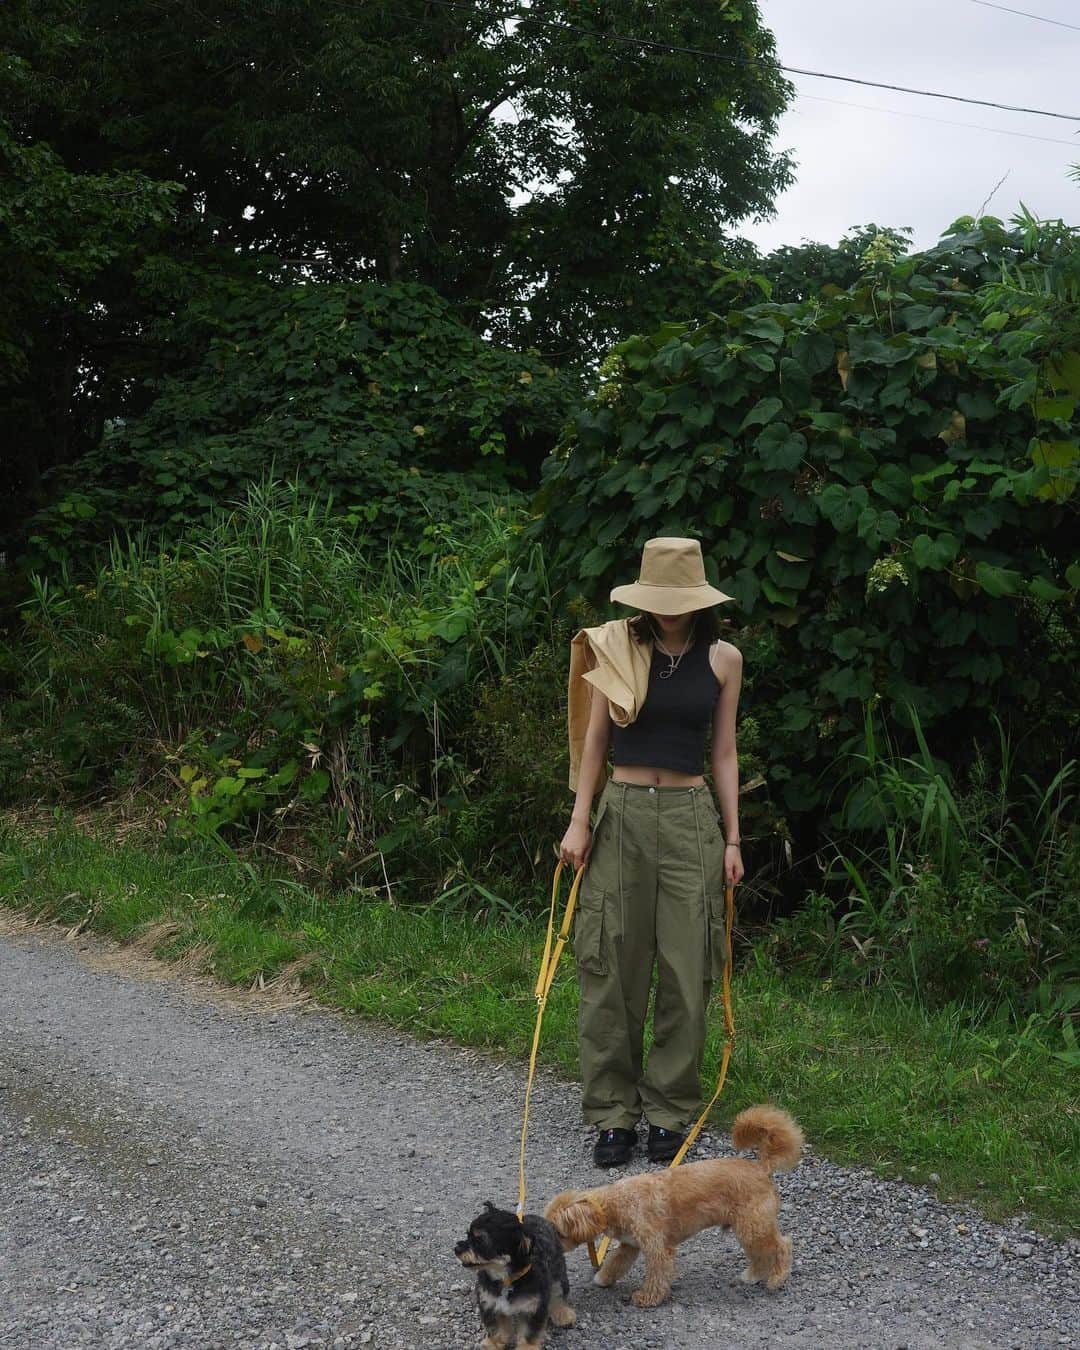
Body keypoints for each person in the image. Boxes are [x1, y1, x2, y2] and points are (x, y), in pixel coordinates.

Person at [560, 536, 745, 1168]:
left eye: (679, 600)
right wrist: (579, 821)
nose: (669, 610)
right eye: (659, 600)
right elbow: (594, 745)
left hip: (692, 821)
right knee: (612, 960)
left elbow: (724, 752)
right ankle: (613, 1113)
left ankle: (668, 1110)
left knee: (688, 966)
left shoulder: (724, 659)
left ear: (697, 600)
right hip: (623, 813)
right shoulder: (619, 650)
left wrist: (733, 837)